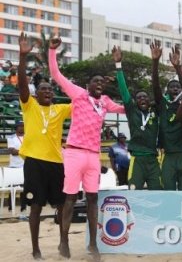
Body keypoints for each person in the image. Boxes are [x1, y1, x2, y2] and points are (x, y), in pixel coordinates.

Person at [48, 37, 125, 260]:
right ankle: (64, 241)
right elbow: (57, 75)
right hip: (73, 152)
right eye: (95, 82)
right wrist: (53, 51)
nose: (100, 84)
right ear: (88, 85)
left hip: (93, 156)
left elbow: (124, 108)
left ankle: (93, 244)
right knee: (70, 199)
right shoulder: (78, 94)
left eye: (102, 82)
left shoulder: (105, 102)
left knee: (93, 199)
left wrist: (138, 101)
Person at [17, 32, 72, 260]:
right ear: (36, 93)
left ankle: (63, 242)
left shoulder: (60, 110)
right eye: (43, 89)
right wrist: (22, 57)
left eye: (50, 90)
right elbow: (21, 84)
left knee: (60, 207)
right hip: (34, 162)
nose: (48, 92)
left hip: (56, 163)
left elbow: (79, 100)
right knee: (36, 207)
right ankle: (36, 249)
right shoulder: (28, 106)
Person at [115, 46, 162, 190]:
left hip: (153, 159)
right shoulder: (132, 111)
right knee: (134, 191)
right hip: (137, 158)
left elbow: (158, 90)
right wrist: (118, 66)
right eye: (139, 97)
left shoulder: (155, 111)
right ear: (136, 101)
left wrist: (155, 62)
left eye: (145, 97)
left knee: (158, 191)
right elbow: (123, 91)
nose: (142, 99)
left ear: (149, 101)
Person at [151, 40, 182, 191]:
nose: (175, 88)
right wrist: (155, 62)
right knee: (168, 190)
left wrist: (178, 68)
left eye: (177, 87)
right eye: (171, 87)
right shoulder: (162, 104)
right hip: (168, 155)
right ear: (167, 90)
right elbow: (155, 86)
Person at [6, 120, 27, 219]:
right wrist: (25, 152)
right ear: (16, 127)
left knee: (24, 188)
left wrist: (19, 151)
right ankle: (11, 207)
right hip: (14, 166)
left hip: (25, 166)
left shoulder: (28, 137)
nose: (22, 127)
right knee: (12, 188)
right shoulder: (11, 137)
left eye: (23, 126)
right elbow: (12, 151)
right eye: (20, 126)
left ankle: (23, 207)